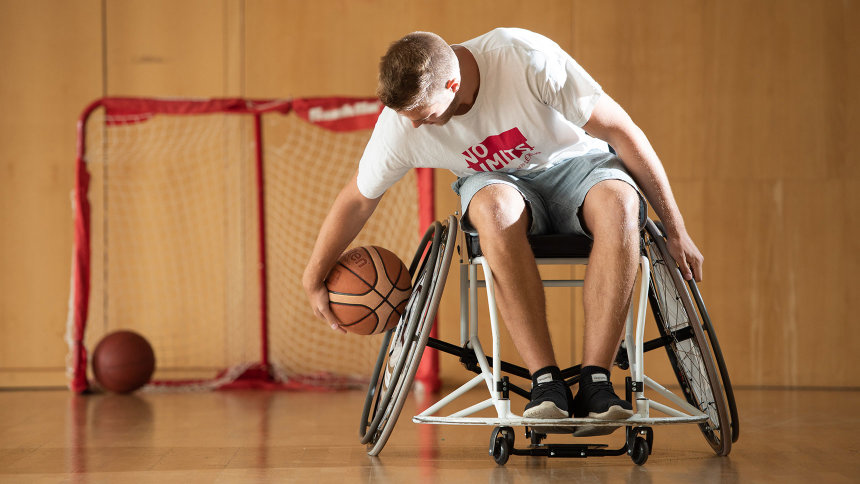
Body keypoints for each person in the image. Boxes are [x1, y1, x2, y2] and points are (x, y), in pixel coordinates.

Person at [303, 28, 703, 435]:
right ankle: (546, 383)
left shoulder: (524, 58)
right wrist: (312, 276)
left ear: (453, 84)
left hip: (576, 166)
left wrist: (676, 229)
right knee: (493, 210)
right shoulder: (403, 124)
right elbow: (358, 199)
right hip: (496, 184)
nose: (417, 127)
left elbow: (620, 130)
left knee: (621, 202)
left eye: (424, 116)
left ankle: (596, 381)